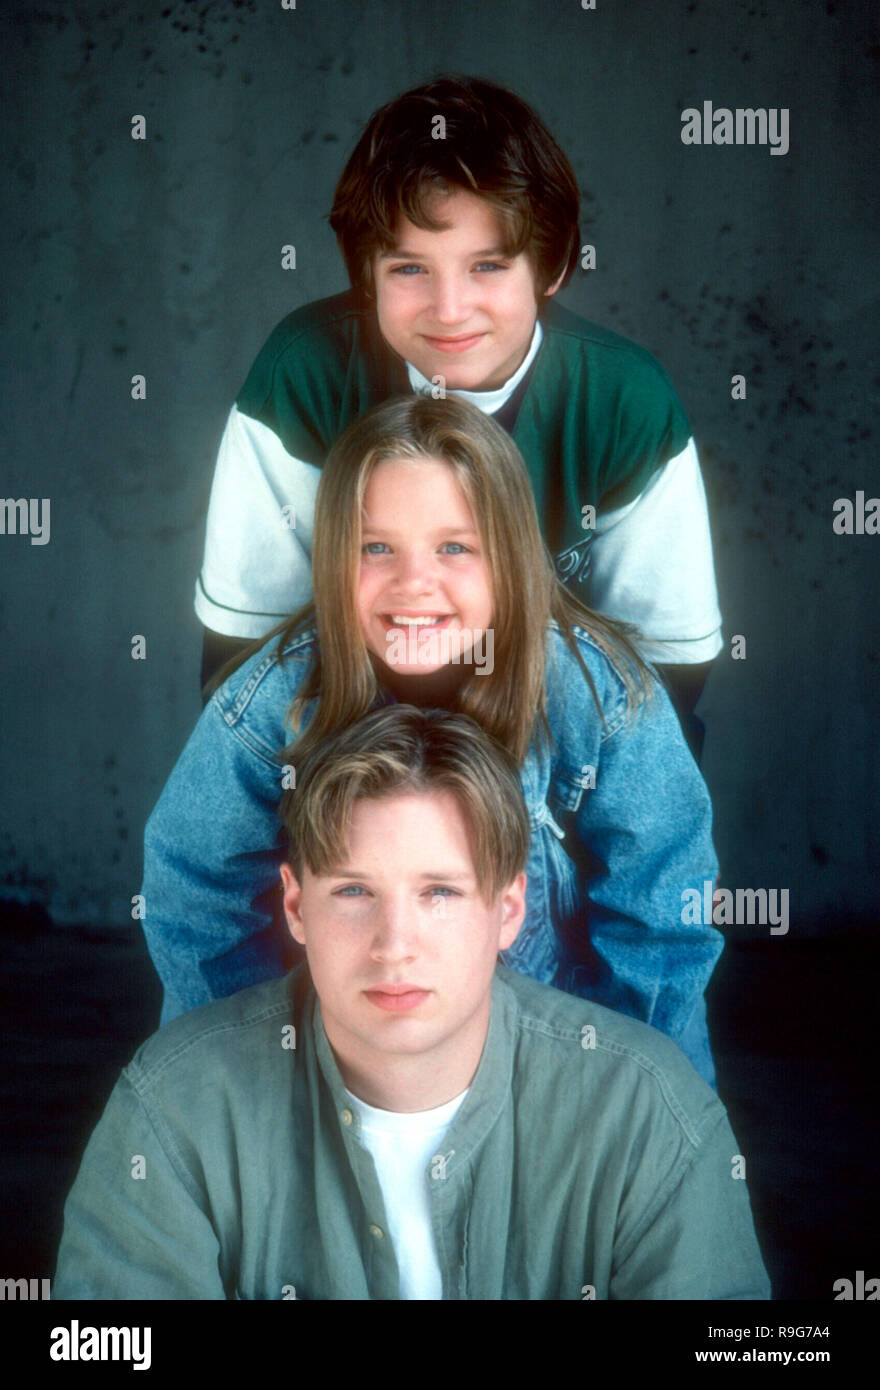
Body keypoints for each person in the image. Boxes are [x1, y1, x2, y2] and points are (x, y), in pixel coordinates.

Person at [55, 707, 768, 1301]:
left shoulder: (647, 1113)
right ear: (297, 906)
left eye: (440, 893)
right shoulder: (173, 1109)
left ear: (510, 909)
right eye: (354, 891)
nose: (394, 945)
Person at [143, 396, 721, 1084]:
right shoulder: (273, 701)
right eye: (376, 548)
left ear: (508, 557)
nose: (414, 584)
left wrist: (608, 1089)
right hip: (349, 1046)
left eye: (454, 547)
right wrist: (268, 1074)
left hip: (559, 1048)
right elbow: (195, 893)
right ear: (333, 559)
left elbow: (663, 916)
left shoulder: (600, 697)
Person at [195, 75, 722, 750]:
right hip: (344, 759)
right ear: (366, 275)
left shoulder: (624, 397)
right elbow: (246, 656)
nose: (449, 309)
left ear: (551, 266)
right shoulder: (305, 371)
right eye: (410, 269)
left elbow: (664, 677)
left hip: (551, 762)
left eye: (488, 266)